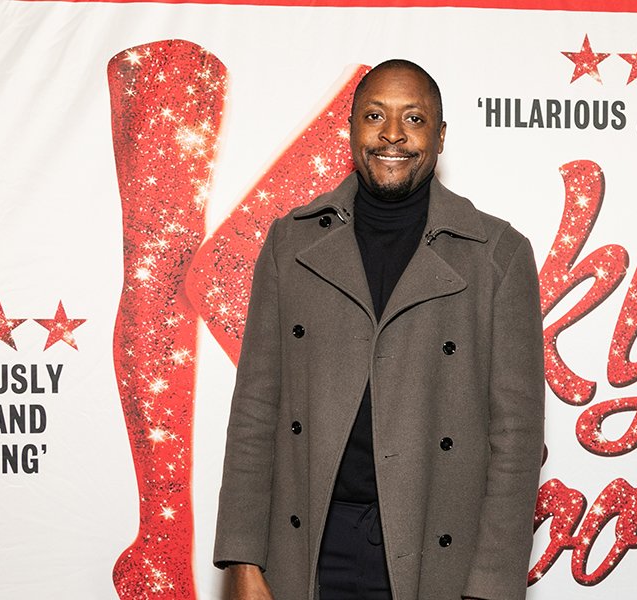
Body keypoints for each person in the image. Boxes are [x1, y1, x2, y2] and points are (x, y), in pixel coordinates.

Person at [213, 59, 544, 600]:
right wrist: (243, 560)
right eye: (374, 116)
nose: (392, 134)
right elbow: (255, 409)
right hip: (308, 545)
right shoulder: (291, 244)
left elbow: (517, 438)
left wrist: (490, 585)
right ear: (350, 130)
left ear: (440, 136)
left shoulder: (497, 256)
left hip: (435, 549)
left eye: (413, 118)